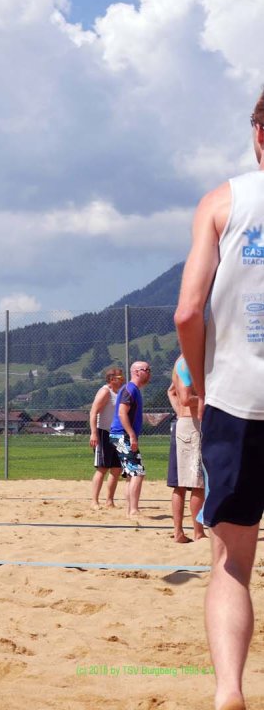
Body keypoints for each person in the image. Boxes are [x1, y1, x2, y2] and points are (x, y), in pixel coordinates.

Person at [175, 89, 264, 710]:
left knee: (232, 563)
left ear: (258, 135)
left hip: (238, 399)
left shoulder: (222, 202)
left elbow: (187, 311)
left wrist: (201, 386)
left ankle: (229, 691)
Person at [165, 354, 206, 544]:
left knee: (181, 484)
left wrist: (179, 413)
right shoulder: (187, 362)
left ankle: (179, 532)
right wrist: (211, 400)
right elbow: (187, 397)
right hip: (191, 426)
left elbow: (171, 392)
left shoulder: (182, 362)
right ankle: (198, 532)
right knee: (197, 483)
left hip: (186, 423)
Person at [108, 361, 151, 518]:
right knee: (138, 473)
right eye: (147, 370)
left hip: (121, 434)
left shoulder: (134, 390)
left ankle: (131, 509)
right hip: (122, 435)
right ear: (137, 372)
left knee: (131, 474)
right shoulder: (130, 389)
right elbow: (121, 413)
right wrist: (131, 435)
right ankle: (133, 510)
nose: (149, 373)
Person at [88, 366, 124, 509]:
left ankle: (109, 500)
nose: (123, 379)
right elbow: (93, 412)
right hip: (104, 432)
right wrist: (94, 432)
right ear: (112, 379)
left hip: (118, 433)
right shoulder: (105, 391)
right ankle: (94, 501)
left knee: (116, 469)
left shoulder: (120, 392)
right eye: (120, 377)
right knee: (102, 468)